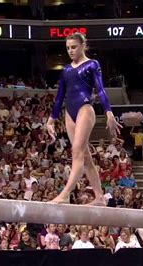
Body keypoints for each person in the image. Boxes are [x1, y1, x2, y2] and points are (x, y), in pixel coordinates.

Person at [46, 32, 122, 205]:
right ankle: (99, 197)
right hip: (69, 113)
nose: (70, 51)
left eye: (74, 47)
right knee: (85, 157)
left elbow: (101, 89)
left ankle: (65, 194)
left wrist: (109, 112)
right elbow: (60, 96)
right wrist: (51, 119)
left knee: (77, 152)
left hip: (85, 109)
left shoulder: (92, 65)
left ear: (83, 46)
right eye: (67, 48)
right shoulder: (65, 70)